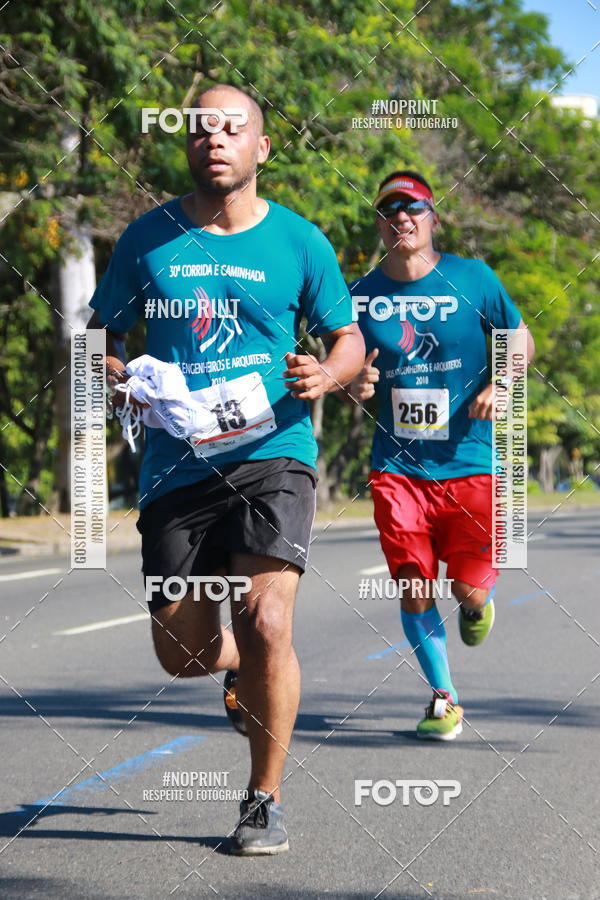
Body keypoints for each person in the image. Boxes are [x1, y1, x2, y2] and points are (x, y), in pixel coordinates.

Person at [87, 83, 364, 852]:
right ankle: (237, 670)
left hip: (273, 449)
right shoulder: (147, 239)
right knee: (184, 655)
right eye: (203, 129)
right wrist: (116, 373)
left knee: (267, 618)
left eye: (232, 128)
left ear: (261, 149)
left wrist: (327, 376)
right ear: (188, 146)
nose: (215, 139)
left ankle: (262, 800)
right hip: (178, 463)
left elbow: (347, 338)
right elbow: (99, 335)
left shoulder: (300, 242)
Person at [348, 169, 534, 740]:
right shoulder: (359, 295)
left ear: (433, 217)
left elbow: (520, 338)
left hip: (472, 462)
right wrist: (354, 382)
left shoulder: (472, 279)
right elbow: (343, 360)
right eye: (388, 210)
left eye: (413, 208)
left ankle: (478, 605)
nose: (401, 218)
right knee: (412, 582)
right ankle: (444, 698)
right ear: (379, 223)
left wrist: (502, 384)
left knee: (468, 591)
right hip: (397, 467)